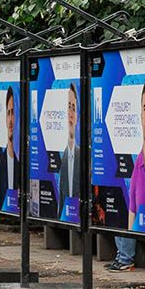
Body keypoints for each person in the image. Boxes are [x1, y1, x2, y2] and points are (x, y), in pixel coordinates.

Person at [110, 82, 145, 272]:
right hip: (141, 221)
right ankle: (123, 256)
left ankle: (125, 257)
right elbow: (132, 207)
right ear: (140, 116)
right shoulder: (138, 163)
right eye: (144, 109)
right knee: (116, 218)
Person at [59, 85, 79, 219]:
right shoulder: (62, 158)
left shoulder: (85, 157)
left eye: (73, 108)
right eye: (68, 107)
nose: (70, 114)